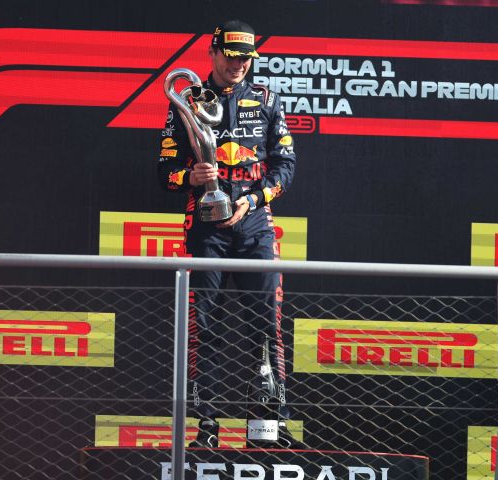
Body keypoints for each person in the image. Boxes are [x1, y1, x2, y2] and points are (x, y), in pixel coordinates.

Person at [157, 20, 299, 448]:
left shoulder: (268, 99)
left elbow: (285, 166)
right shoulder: (186, 102)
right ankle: (207, 425)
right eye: (231, 55)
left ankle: (269, 425)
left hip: (255, 223)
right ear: (213, 53)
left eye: (246, 58)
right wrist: (190, 176)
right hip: (205, 225)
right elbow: (163, 171)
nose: (238, 65)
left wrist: (254, 200)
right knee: (206, 324)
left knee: (266, 323)